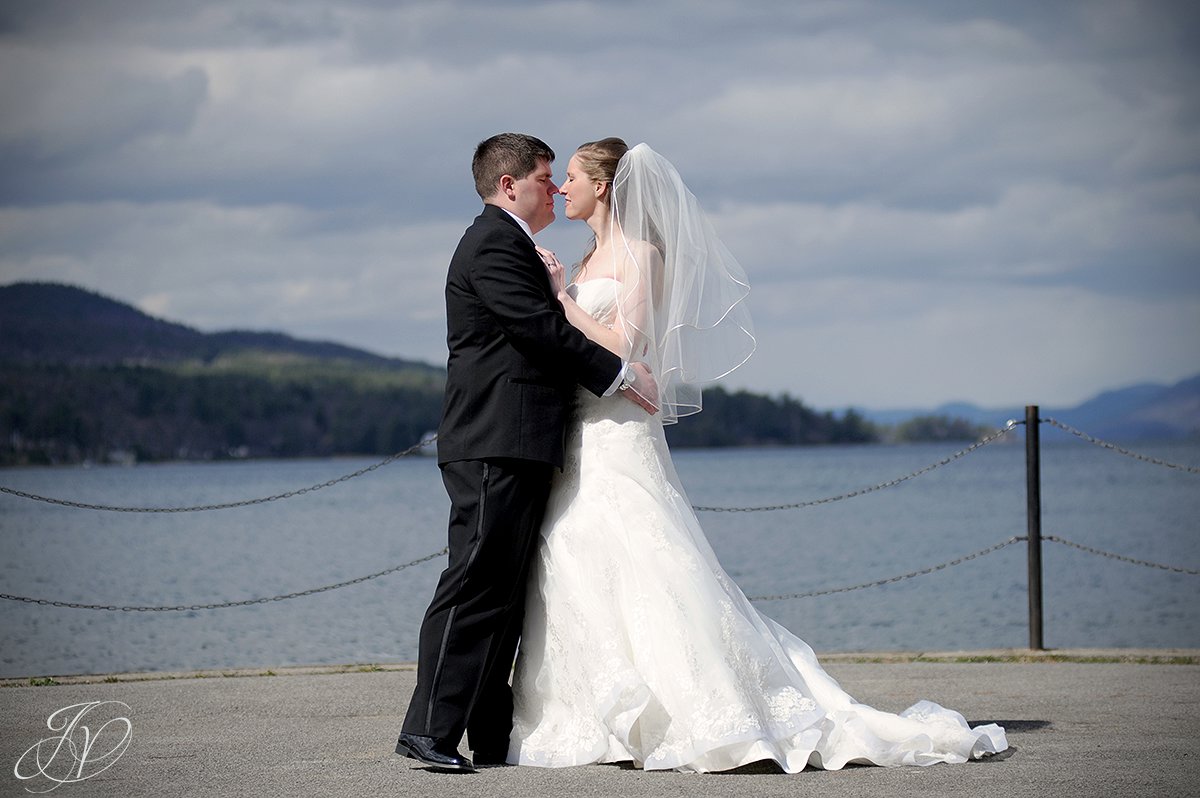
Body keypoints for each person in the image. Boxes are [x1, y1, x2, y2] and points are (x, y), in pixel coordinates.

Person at [508, 138, 1008, 773]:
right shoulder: (587, 257)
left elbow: (625, 346)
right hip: (582, 430)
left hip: (620, 434)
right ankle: (592, 715)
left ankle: (690, 707)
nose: (560, 189)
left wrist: (559, 300)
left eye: (571, 177)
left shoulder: (641, 255)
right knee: (577, 557)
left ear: (603, 186)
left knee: (647, 558)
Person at [396, 133, 658, 772]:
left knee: (504, 595)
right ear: (510, 185)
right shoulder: (492, 244)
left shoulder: (516, 247)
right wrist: (622, 376)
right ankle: (427, 730)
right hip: (493, 439)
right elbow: (539, 332)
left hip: (522, 440)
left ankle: (488, 734)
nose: (554, 188)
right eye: (546, 177)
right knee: (475, 584)